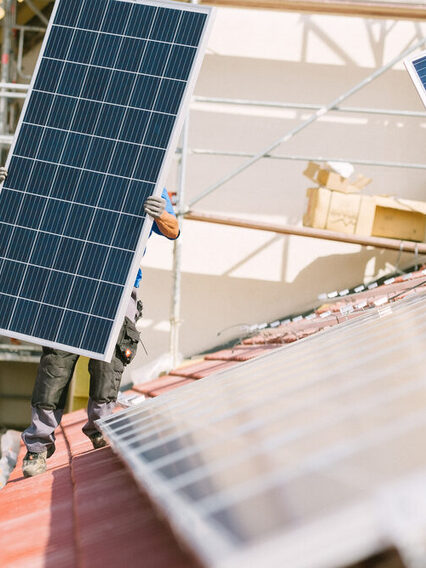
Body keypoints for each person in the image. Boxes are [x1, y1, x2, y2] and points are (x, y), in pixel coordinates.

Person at [0, 167, 179, 477]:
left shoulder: (150, 173)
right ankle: (38, 446)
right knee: (56, 362)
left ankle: (101, 430)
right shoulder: (71, 165)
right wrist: (14, 184)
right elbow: (30, 206)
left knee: (108, 361)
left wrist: (161, 212)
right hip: (69, 280)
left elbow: (173, 229)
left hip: (119, 285)